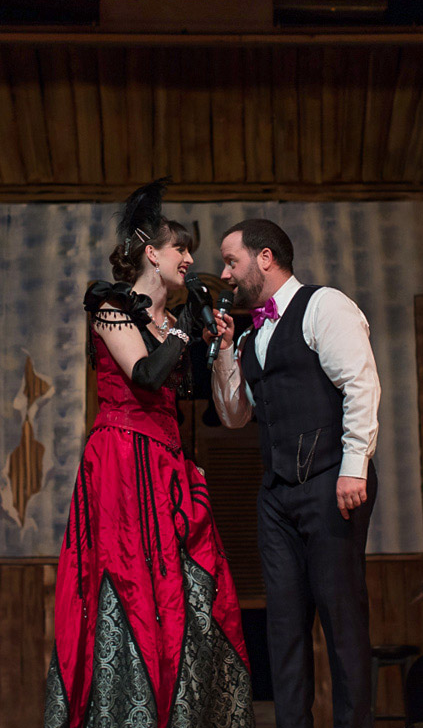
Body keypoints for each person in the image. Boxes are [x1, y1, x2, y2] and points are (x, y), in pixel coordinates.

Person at [44, 180, 254, 728]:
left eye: (192, 252)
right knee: (129, 582)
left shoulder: (170, 322)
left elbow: (210, 404)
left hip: (166, 462)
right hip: (120, 458)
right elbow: (143, 374)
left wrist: (220, 343)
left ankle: (182, 713)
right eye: (180, 248)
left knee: (186, 589)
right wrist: (186, 330)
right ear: (151, 253)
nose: (189, 259)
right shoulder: (111, 303)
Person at [208, 219, 380, 728]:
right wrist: (223, 350)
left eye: (231, 260)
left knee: (341, 620)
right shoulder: (254, 333)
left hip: (332, 482)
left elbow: (360, 386)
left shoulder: (325, 306)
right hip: (277, 494)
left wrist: (354, 469)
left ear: (265, 258)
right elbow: (235, 415)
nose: (225, 273)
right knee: (283, 628)